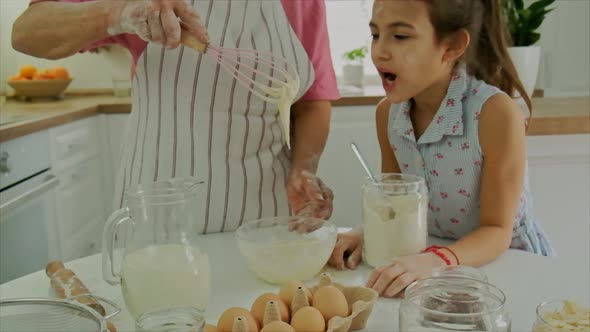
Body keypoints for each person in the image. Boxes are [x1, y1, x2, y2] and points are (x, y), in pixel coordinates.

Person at [13, 0, 339, 233]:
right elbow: (28, 32)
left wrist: (303, 170)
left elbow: (312, 100)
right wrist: (121, 12)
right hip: (158, 213)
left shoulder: (303, 3)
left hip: (265, 217)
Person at [329, 0, 554, 297]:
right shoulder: (388, 114)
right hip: (431, 263)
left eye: (400, 36)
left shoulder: (495, 113)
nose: (379, 51)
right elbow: (394, 203)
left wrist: (435, 261)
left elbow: (498, 232)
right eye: (375, 34)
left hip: (506, 265)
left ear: (452, 46)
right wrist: (364, 233)